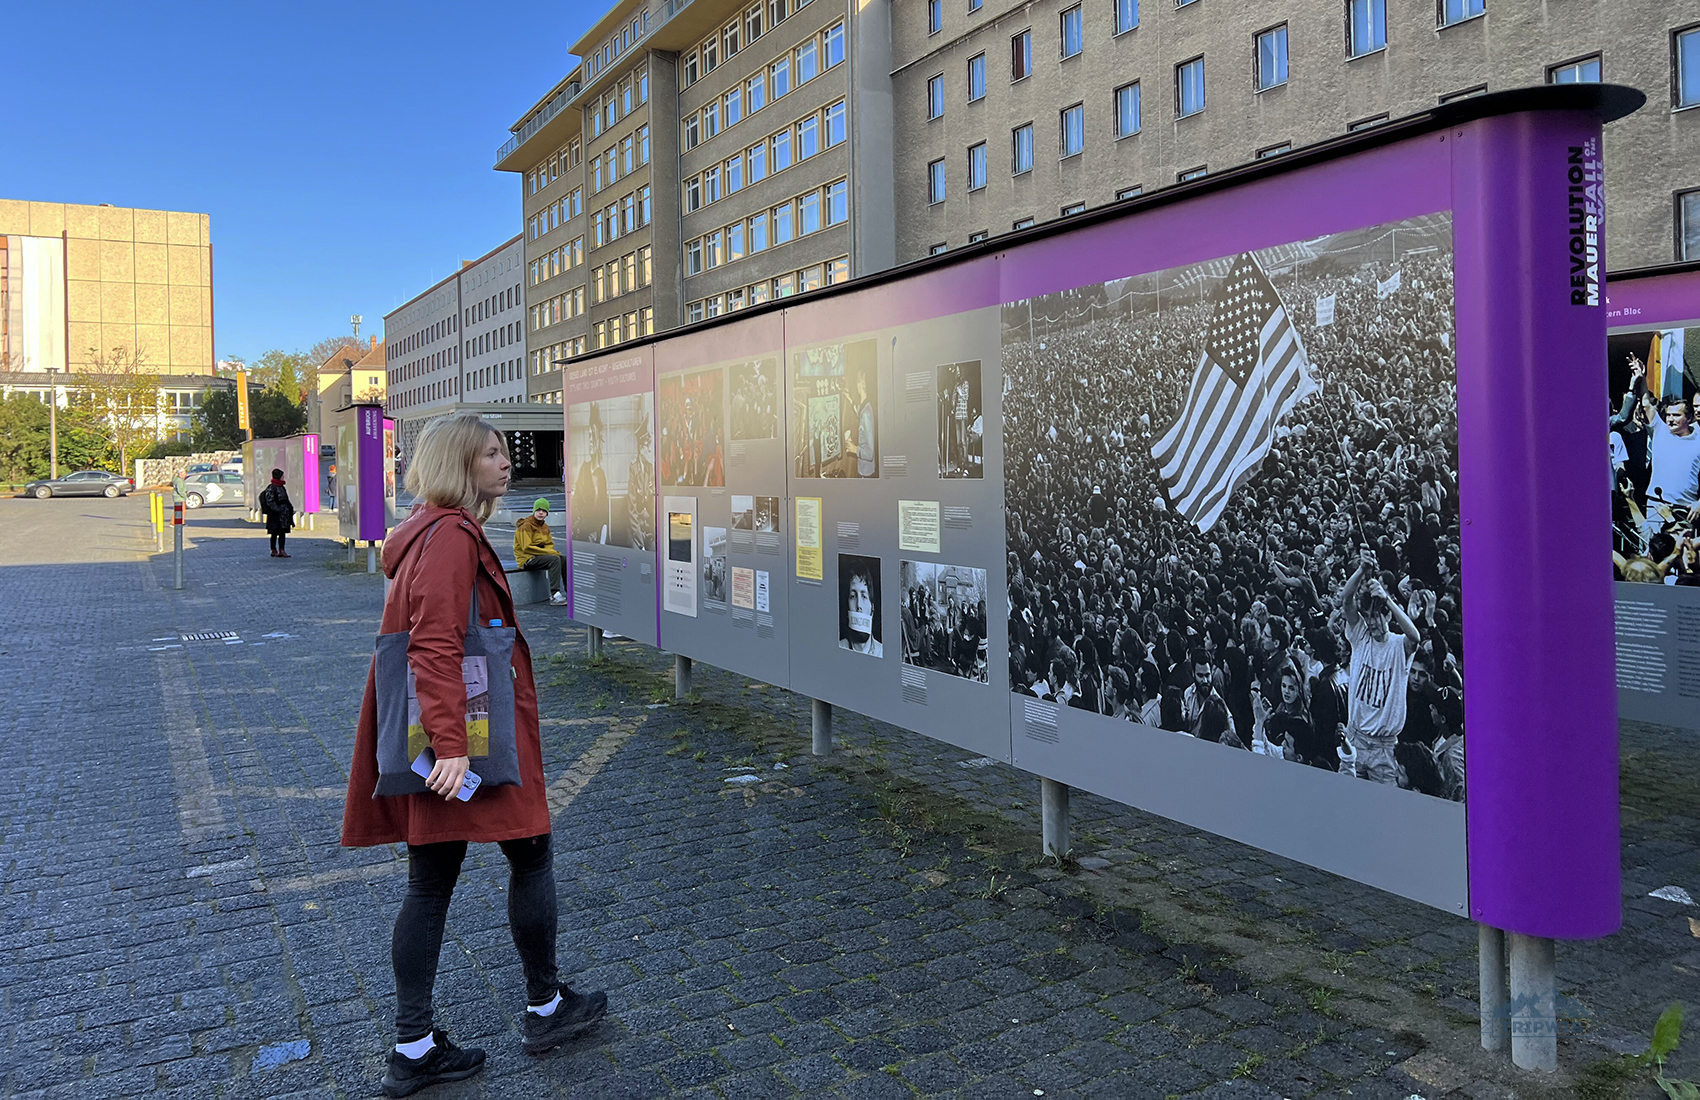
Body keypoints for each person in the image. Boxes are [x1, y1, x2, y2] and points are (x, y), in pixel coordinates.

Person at [341, 415, 606, 1098]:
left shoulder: (427, 529)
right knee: (530, 851)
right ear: (460, 463)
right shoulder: (453, 535)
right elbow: (432, 641)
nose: (504, 462)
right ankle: (545, 1009)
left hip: (452, 732)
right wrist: (452, 749)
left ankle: (414, 1044)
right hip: (469, 736)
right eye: (490, 453)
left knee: (432, 881)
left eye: (502, 451)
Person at [1340, 549, 1420, 785]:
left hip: (1384, 748)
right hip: (1355, 736)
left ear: (1387, 616)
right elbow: (1346, 600)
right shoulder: (1361, 636)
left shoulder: (1397, 646)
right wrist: (1362, 570)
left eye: (1377, 616)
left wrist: (1387, 599)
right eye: (1368, 616)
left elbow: (1414, 636)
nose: (1372, 622)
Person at [515, 498, 568, 606]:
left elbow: (549, 544)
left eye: (544, 511)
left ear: (547, 513)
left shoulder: (545, 527)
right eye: (538, 510)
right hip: (527, 558)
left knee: (563, 558)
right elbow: (526, 547)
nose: (540, 513)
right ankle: (555, 594)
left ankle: (570, 591)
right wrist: (549, 553)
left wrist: (550, 551)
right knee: (555, 560)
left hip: (539, 557)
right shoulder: (526, 526)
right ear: (534, 511)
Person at [839, 558, 883, 656]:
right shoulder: (839, 649)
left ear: (872, 608)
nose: (859, 605)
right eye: (853, 596)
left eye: (864, 596)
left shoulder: (883, 653)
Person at [258, 468, 295, 558]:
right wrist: (278, 509)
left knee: (282, 532)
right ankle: (273, 550)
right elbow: (270, 501)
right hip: (275, 515)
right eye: (282, 476)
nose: (283, 478)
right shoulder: (272, 487)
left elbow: (286, 500)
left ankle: (282, 550)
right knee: (274, 532)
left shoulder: (282, 487)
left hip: (283, 515)